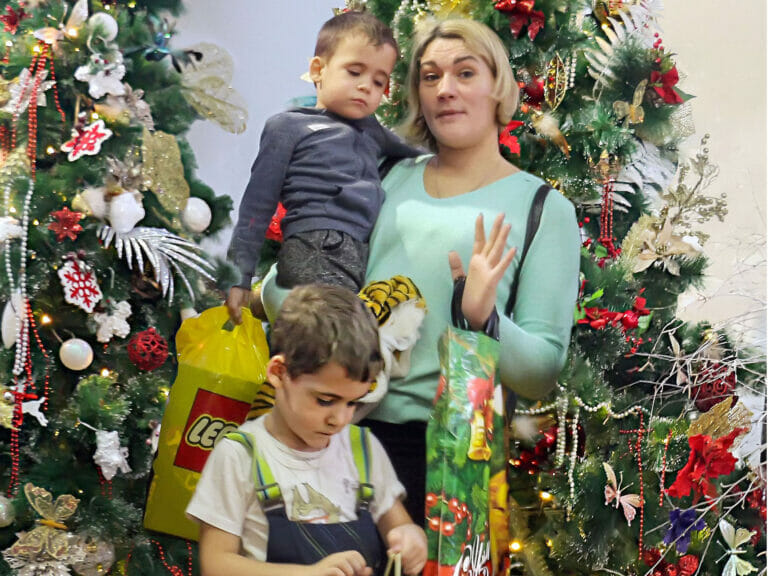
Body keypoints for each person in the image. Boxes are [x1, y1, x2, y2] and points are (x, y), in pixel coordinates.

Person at [262, 18, 581, 523]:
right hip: (329, 431)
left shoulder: (544, 208)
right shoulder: (380, 174)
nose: (445, 90)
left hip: (443, 462)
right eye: (430, 77)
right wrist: (313, 294)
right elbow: (280, 295)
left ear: (499, 88)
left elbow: (542, 372)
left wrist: (483, 319)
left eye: (465, 73)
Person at [187, 284, 427, 576]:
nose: (339, 419)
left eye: (353, 402)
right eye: (326, 400)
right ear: (279, 373)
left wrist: (411, 537)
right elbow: (216, 564)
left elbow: (399, 525)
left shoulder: (363, 448)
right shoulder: (240, 455)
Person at [226, 11, 421, 325]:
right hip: (316, 244)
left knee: (347, 335)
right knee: (331, 332)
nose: (365, 87)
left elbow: (418, 152)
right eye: (354, 72)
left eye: (378, 81)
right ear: (318, 69)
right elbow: (256, 206)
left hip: (361, 251)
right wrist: (239, 278)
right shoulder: (289, 126)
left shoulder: (372, 130)